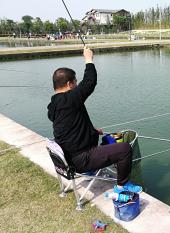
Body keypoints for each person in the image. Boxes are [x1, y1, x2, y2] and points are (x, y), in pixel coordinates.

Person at [47, 47, 142, 193]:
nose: (77, 85)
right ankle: (122, 186)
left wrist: (92, 130)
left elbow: (71, 126)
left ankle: (94, 170)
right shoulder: (69, 99)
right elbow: (90, 82)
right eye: (76, 82)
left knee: (107, 140)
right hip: (81, 160)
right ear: (69, 84)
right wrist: (88, 59)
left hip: (68, 158)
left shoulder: (54, 104)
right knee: (125, 149)